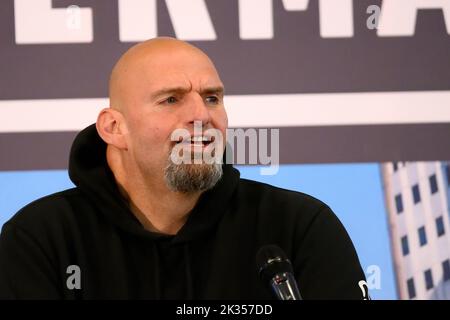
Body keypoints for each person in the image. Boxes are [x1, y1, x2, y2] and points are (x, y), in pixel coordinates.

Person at [0, 38, 367, 299]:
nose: (200, 115)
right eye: (171, 99)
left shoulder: (297, 227)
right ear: (114, 128)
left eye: (212, 98)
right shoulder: (41, 239)